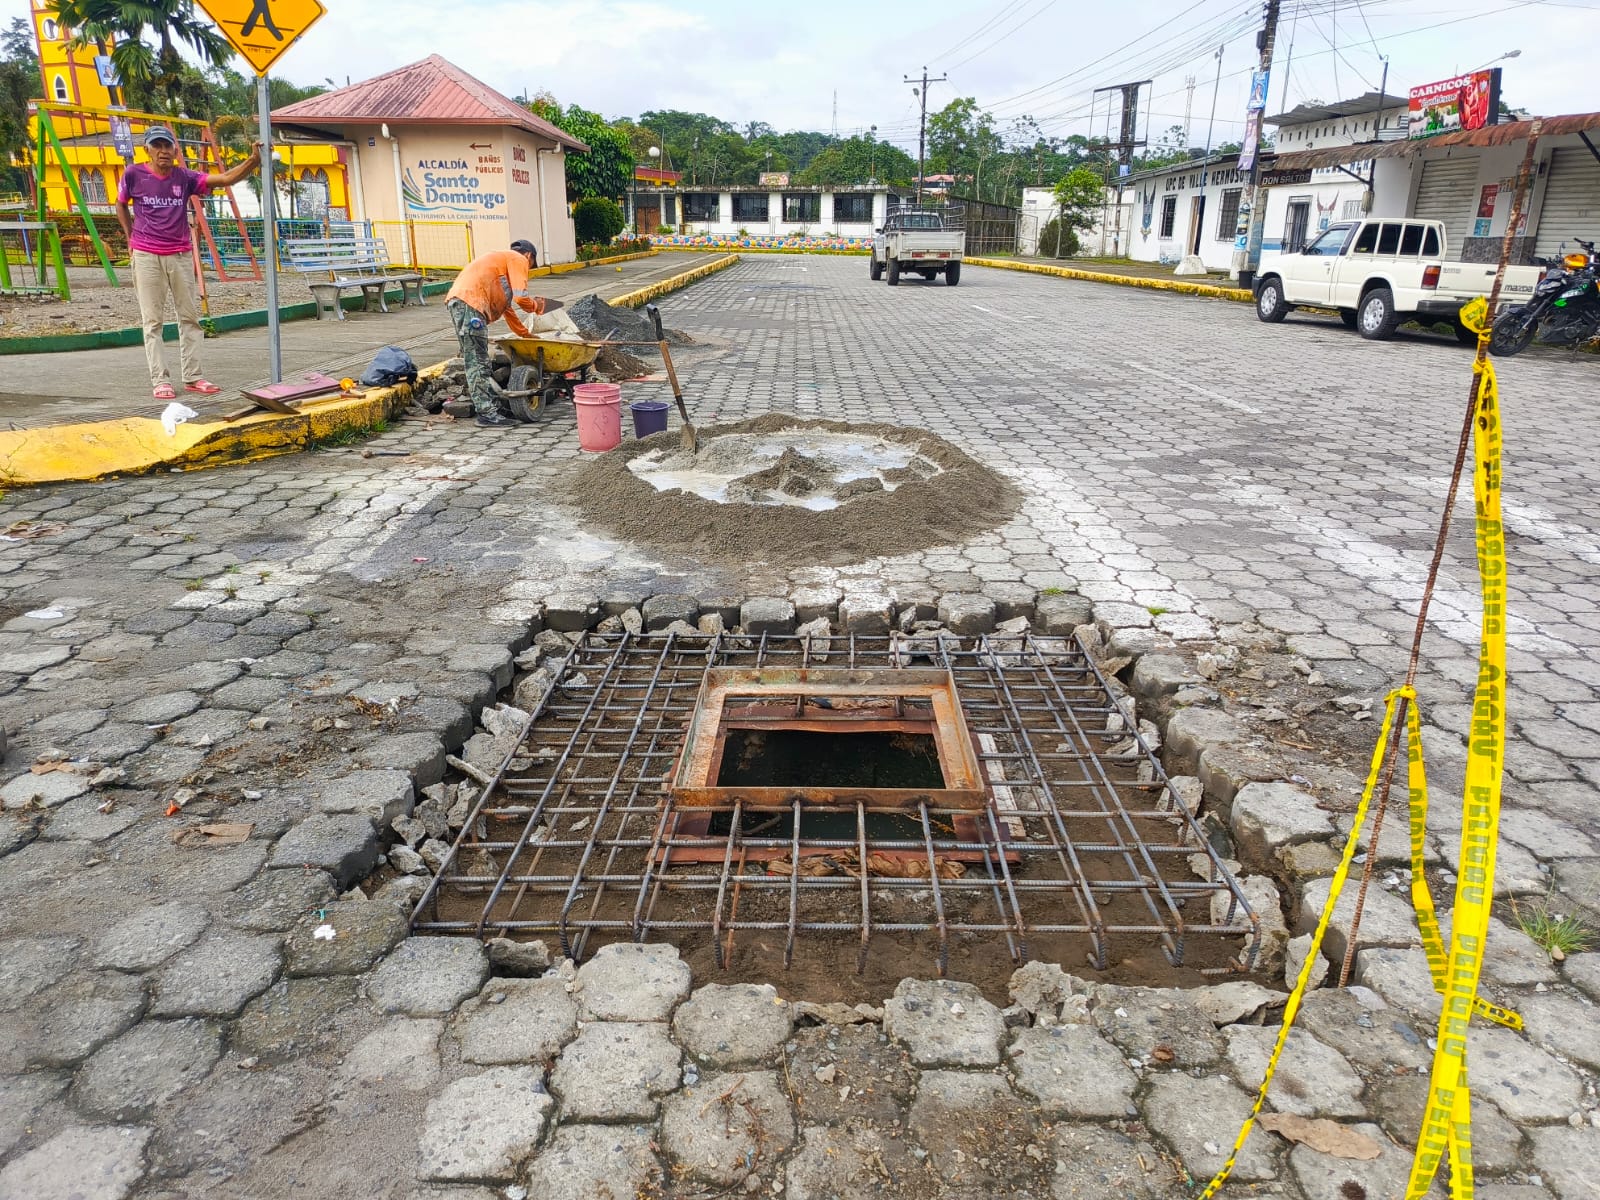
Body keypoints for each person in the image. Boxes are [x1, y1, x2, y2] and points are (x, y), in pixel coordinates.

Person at [116, 126, 262, 400]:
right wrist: (129, 237)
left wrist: (253, 160)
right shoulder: (133, 174)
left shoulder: (184, 177)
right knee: (153, 322)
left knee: (189, 317)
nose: (162, 151)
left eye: (167, 146)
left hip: (180, 254)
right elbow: (121, 203)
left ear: (175, 150)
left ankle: (193, 376)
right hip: (146, 255)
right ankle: (160, 379)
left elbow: (226, 178)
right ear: (147, 150)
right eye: (157, 146)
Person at [446, 239, 549, 428]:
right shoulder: (518, 258)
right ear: (529, 256)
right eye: (530, 266)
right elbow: (521, 298)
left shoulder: (500, 268)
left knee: (478, 359)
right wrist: (536, 306)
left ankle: (492, 407)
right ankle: (487, 414)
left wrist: (526, 335)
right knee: (477, 361)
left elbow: (508, 311)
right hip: (470, 304)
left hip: (463, 302)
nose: (527, 271)